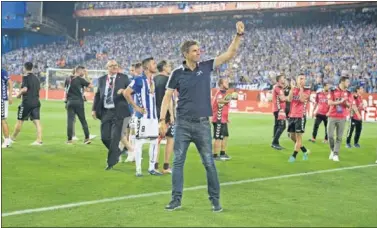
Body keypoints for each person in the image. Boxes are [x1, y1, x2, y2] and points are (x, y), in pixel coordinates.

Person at [159, 21, 245, 212]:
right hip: (182, 124)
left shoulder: (205, 66)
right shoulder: (176, 73)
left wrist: (238, 36)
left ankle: (215, 200)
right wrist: (161, 120)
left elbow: (229, 54)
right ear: (186, 54)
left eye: (199, 50)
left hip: (202, 125)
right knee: (178, 162)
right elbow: (167, 97)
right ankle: (176, 200)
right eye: (195, 51)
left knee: (208, 162)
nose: (199, 53)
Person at [123, 57, 161, 176]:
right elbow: (126, 93)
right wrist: (136, 107)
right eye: (153, 64)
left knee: (154, 142)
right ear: (146, 67)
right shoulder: (139, 80)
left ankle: (151, 168)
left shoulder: (152, 80)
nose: (155, 65)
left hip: (153, 117)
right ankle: (138, 170)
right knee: (139, 142)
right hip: (142, 117)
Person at [92, 60, 131, 170]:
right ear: (107, 68)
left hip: (119, 112)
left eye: (116, 65)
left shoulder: (124, 77)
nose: (114, 67)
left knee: (115, 137)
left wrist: (124, 90)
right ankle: (117, 152)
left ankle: (111, 162)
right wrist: (94, 109)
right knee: (104, 137)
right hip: (106, 112)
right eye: (111, 66)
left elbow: (131, 91)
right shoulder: (101, 79)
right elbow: (97, 95)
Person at [11, 62, 43, 145]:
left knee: (20, 121)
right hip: (36, 102)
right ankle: (39, 140)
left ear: (25, 68)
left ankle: (12, 138)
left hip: (26, 103)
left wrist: (18, 95)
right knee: (37, 122)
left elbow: (25, 89)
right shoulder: (36, 78)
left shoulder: (25, 77)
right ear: (32, 68)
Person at [327, 76, 355, 162]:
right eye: (347, 82)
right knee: (330, 136)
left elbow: (349, 105)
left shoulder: (349, 93)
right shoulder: (332, 90)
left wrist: (345, 102)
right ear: (342, 82)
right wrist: (339, 102)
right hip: (332, 115)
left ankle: (335, 154)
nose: (348, 83)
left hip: (342, 117)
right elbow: (329, 102)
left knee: (339, 137)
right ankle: (332, 150)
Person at [154, 60, 174, 173]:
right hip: (165, 115)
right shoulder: (169, 80)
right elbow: (169, 99)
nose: (170, 67)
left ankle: (155, 166)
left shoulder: (154, 79)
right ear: (164, 67)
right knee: (170, 139)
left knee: (156, 140)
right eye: (169, 66)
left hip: (155, 114)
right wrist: (171, 114)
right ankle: (166, 166)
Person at [65, 66, 93, 144]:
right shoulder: (80, 79)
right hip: (79, 102)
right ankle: (87, 138)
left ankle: (69, 140)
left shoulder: (68, 79)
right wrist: (87, 75)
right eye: (83, 71)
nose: (83, 73)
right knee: (83, 120)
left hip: (69, 102)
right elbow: (91, 86)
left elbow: (66, 90)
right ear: (79, 71)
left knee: (70, 121)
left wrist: (66, 102)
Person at [287, 74, 311, 163]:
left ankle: (293, 156)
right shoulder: (294, 89)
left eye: (304, 79)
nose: (302, 80)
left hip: (300, 116)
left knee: (298, 137)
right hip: (292, 115)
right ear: (297, 80)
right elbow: (289, 99)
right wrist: (292, 89)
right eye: (301, 79)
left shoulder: (307, 90)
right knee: (292, 137)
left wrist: (300, 89)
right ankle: (305, 151)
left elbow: (301, 99)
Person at [124, 62, 143, 162]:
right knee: (131, 130)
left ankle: (134, 151)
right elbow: (126, 93)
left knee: (135, 131)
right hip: (133, 109)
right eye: (131, 70)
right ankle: (131, 152)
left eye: (133, 70)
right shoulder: (133, 80)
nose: (132, 72)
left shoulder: (142, 79)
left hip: (138, 110)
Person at [212, 78, 232, 160]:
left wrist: (227, 118)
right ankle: (215, 156)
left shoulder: (225, 93)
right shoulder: (219, 93)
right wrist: (227, 100)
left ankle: (223, 153)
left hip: (223, 119)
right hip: (218, 119)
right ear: (221, 84)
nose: (227, 83)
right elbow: (219, 101)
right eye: (225, 82)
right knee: (218, 137)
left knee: (225, 136)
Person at [271, 74, 287, 150]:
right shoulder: (278, 88)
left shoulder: (279, 87)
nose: (284, 79)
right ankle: (275, 142)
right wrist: (289, 97)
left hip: (277, 109)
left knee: (277, 125)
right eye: (283, 78)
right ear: (279, 80)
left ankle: (275, 143)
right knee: (282, 126)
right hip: (279, 109)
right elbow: (283, 98)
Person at [1, 67, 13, 148]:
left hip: (2, 99)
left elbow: (10, 82)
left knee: (2, 119)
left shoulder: (2, 71)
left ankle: (7, 141)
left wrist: (10, 96)